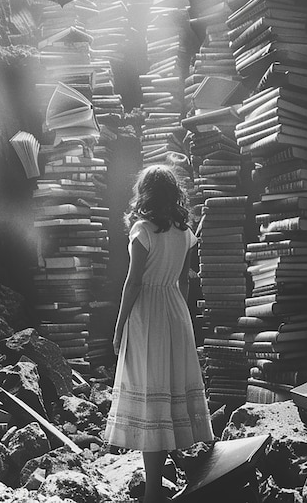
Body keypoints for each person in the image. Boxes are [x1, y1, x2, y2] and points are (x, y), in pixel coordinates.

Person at [104, 164, 214, 503]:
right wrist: (185, 321)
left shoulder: (143, 230)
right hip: (174, 311)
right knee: (167, 398)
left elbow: (135, 282)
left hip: (147, 316)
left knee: (151, 400)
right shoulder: (184, 232)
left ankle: (153, 490)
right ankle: (157, 486)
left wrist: (120, 325)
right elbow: (184, 282)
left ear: (145, 193)